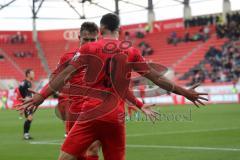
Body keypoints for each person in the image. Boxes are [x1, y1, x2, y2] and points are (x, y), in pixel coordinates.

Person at [17, 13, 208, 160]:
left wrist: (40, 97)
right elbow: (157, 78)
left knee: (66, 157)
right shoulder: (131, 51)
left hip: (89, 114)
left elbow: (64, 74)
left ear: (101, 29)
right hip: (115, 118)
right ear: (119, 29)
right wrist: (186, 93)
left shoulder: (89, 49)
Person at [17, 69, 35, 140]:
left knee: (30, 118)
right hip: (27, 103)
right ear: (28, 74)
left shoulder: (23, 82)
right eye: (32, 73)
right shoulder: (27, 83)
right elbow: (27, 96)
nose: (34, 75)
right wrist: (24, 106)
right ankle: (25, 134)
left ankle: (26, 134)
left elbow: (21, 93)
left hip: (26, 103)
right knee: (30, 118)